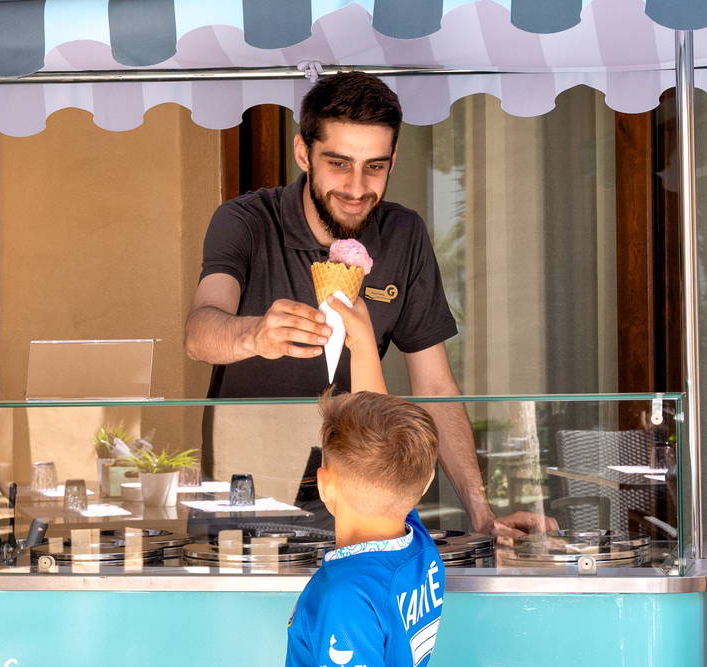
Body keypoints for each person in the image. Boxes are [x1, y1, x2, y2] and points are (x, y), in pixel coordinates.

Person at [185, 70, 553, 541]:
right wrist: (254, 334)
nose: (357, 188)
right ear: (304, 153)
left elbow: (434, 386)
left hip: (356, 491)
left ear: (393, 160)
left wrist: (481, 514)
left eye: (374, 166)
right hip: (244, 487)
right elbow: (200, 332)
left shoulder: (404, 234)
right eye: (339, 163)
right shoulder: (246, 220)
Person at [283, 347, 444, 667]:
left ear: (323, 484)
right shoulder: (417, 546)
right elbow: (389, 453)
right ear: (425, 484)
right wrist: (361, 339)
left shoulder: (347, 597)